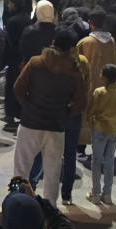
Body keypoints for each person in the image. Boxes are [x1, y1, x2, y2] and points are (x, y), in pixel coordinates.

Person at [13, 30, 88, 204]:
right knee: (52, 173)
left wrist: (29, 107)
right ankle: (50, 212)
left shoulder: (36, 62)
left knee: (21, 169)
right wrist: (65, 113)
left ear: (53, 42)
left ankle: (17, 204)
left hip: (30, 124)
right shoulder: (74, 70)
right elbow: (81, 103)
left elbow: (18, 89)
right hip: (56, 126)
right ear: (71, 49)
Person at [86, 62, 116, 204]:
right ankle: (107, 194)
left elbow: (91, 110)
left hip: (99, 129)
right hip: (113, 130)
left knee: (96, 161)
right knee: (109, 162)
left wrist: (90, 122)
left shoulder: (99, 92)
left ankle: (95, 193)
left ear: (105, 77)